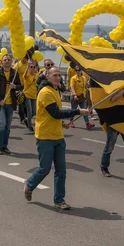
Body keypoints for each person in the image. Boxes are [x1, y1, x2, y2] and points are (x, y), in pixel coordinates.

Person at [24, 67, 88, 210]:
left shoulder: (55, 91)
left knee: (61, 170)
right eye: (55, 75)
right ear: (47, 76)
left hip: (58, 136)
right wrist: (78, 111)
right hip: (45, 136)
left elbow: (53, 115)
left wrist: (62, 123)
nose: (58, 78)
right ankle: (30, 184)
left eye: (59, 75)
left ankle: (59, 200)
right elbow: (55, 113)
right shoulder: (45, 92)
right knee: (44, 168)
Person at [0, 54, 23, 155]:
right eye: (5, 60)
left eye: (9, 60)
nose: (7, 61)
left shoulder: (14, 73)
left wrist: (15, 86)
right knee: (2, 124)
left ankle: (5, 146)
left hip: (10, 104)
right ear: (2, 61)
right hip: (0, 104)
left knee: (8, 127)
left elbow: (20, 86)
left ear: (11, 61)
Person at [23, 60, 39, 133]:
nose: (32, 68)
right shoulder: (27, 75)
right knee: (29, 111)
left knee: (34, 112)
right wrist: (28, 66)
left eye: (33, 67)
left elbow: (39, 72)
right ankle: (30, 127)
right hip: (27, 94)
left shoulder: (36, 75)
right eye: (31, 67)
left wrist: (34, 64)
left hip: (34, 95)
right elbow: (25, 75)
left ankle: (27, 120)